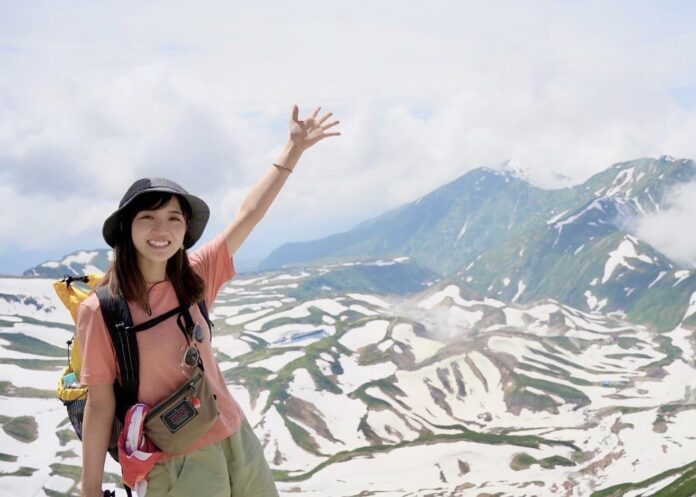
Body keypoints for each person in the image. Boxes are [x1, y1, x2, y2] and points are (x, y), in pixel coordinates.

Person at [77, 105, 340, 497]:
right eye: (148, 217)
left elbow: (248, 215)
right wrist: (91, 489)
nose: (161, 229)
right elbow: (99, 406)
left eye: (174, 218)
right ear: (127, 228)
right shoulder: (102, 311)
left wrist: (293, 150)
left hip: (235, 436)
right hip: (173, 463)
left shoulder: (195, 276)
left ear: (186, 231)